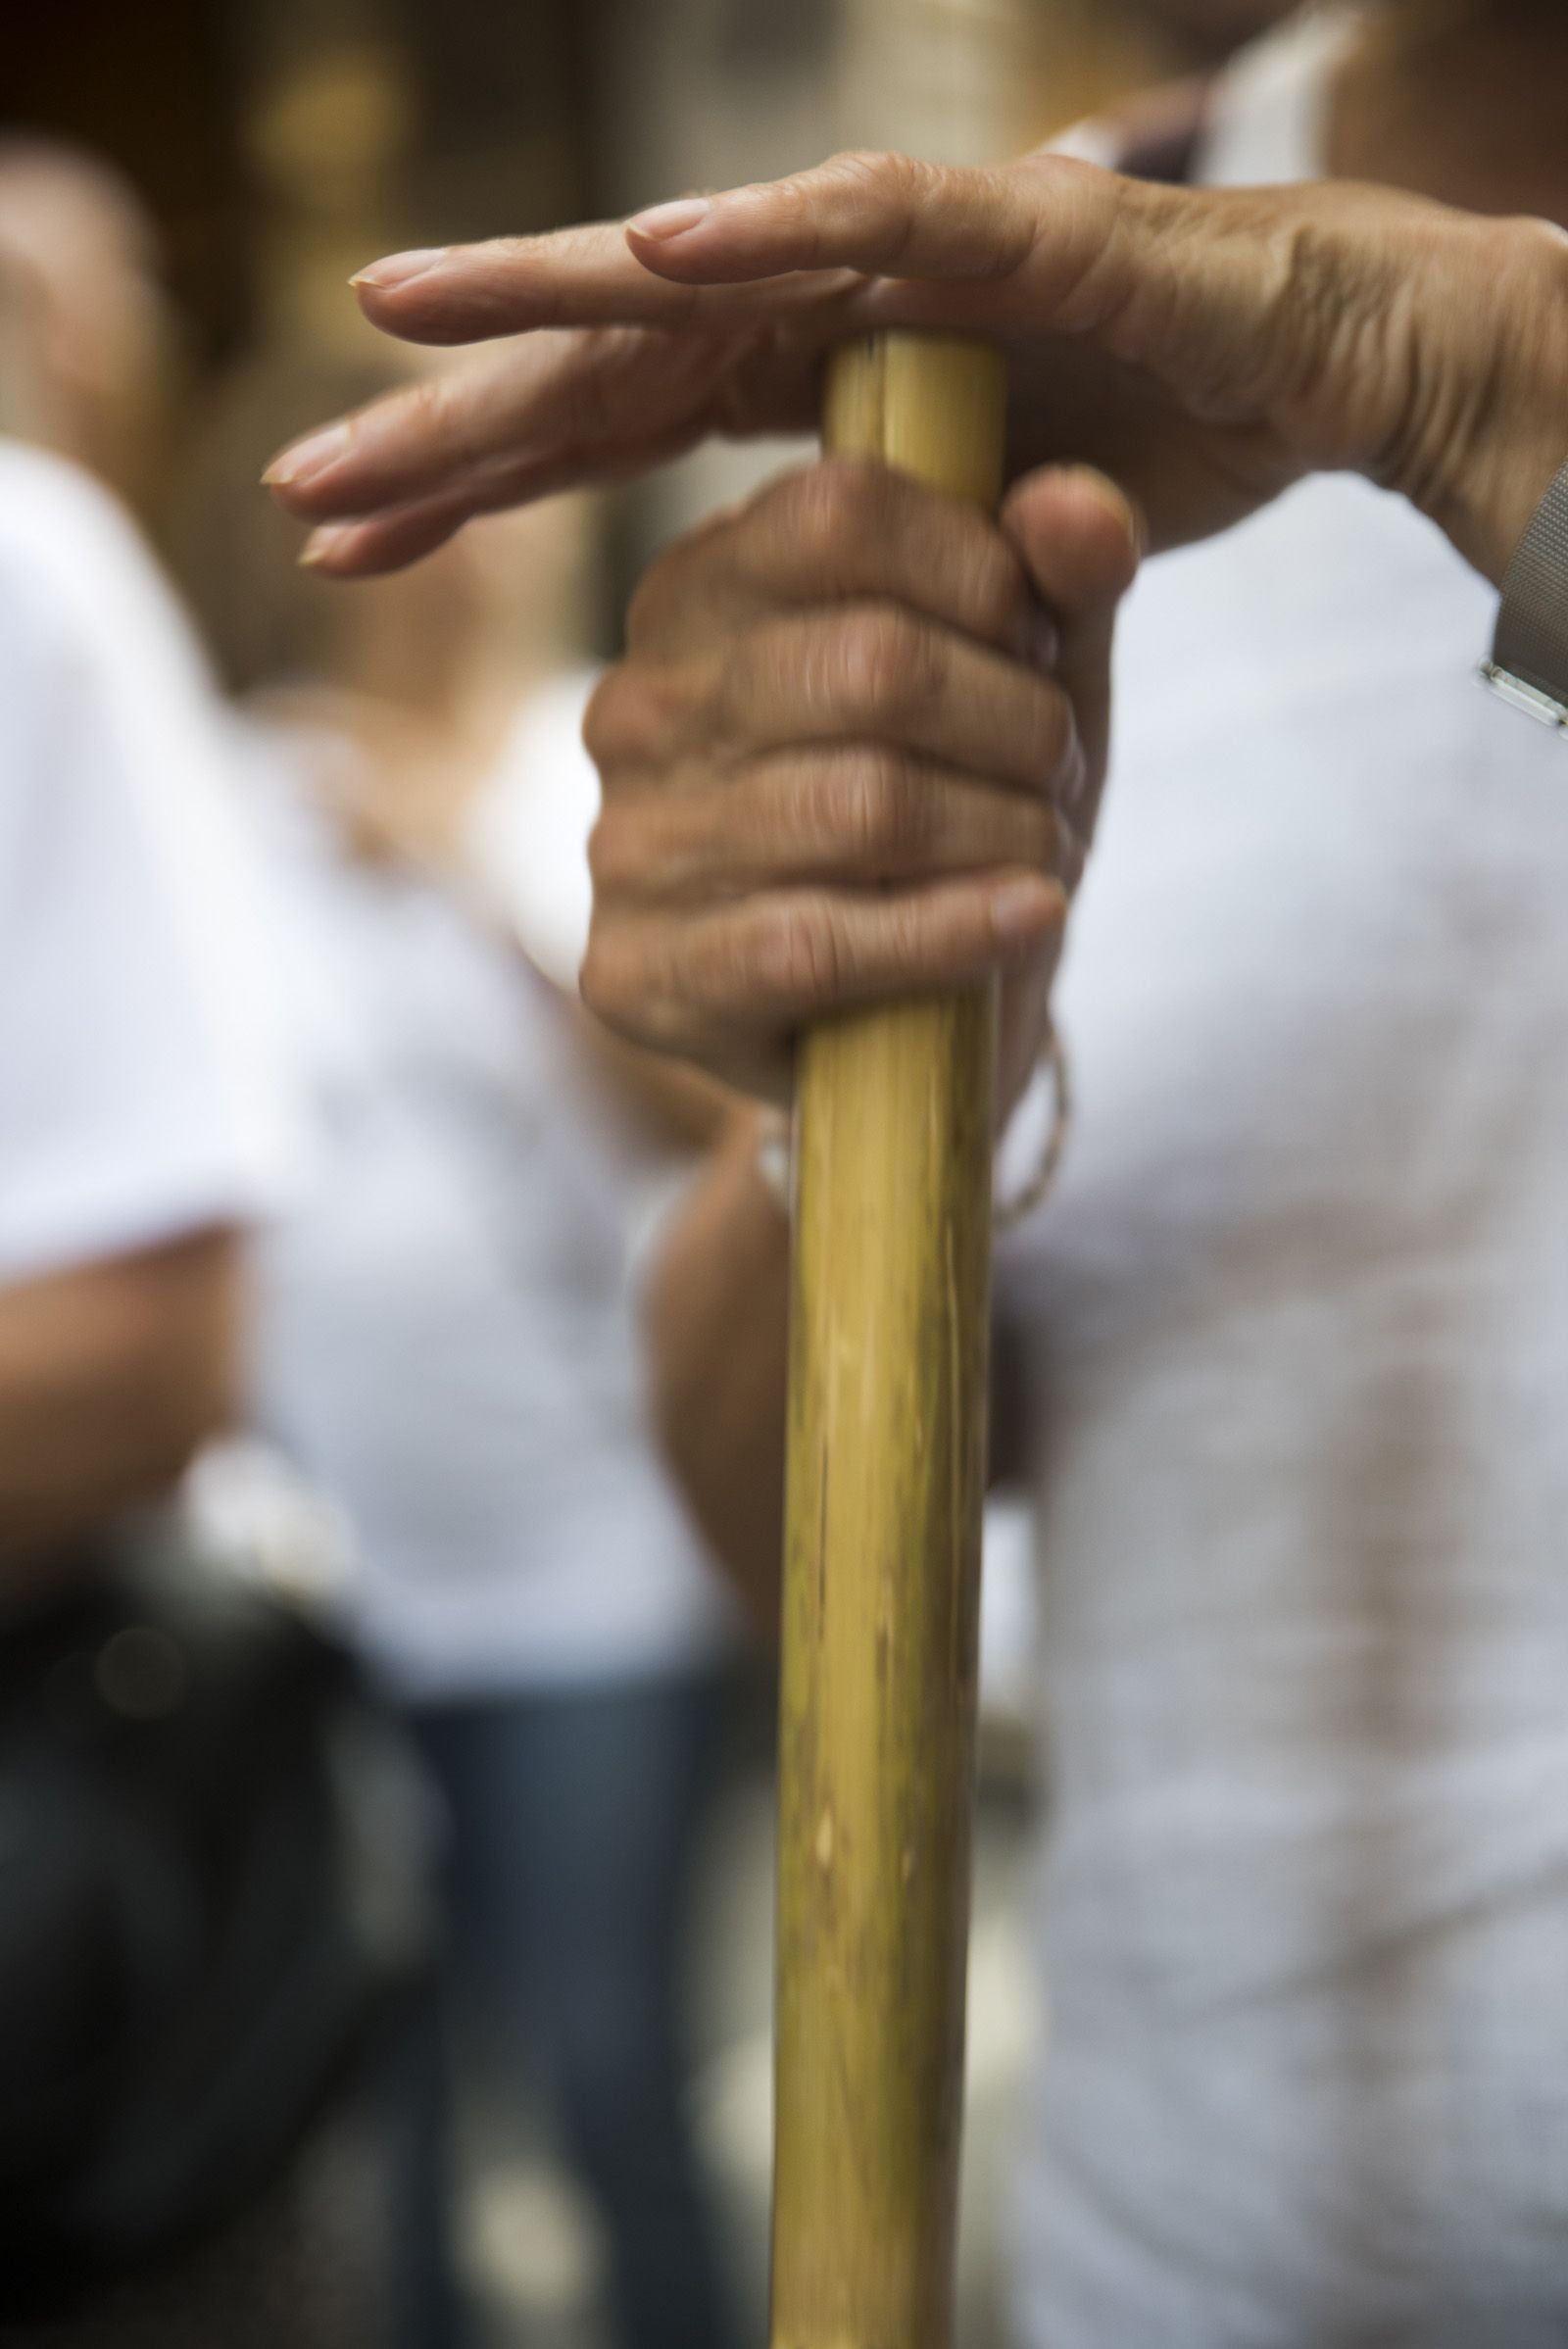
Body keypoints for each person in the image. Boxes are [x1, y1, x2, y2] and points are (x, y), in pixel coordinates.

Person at [266, 3, 1568, 2341]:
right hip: (1180, 2262)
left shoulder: (1153, 329)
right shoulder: (1030, 320)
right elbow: (775, 1519)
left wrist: (1489, 401)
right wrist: (895, 1080)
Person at [178, 353, 741, 2349]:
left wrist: (470, 882)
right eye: (408, 499)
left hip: (594, 1563)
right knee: (375, 2110)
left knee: (608, 2073)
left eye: (493, 495)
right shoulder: (226, 781)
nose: (452, 553)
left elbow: (712, 1121)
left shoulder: (611, 751)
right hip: (322, 1586)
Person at [0, 145, 429, 2349]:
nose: (54, 335)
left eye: (87, 292)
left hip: (175, 1734)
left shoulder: (42, 584)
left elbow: (153, 1337)